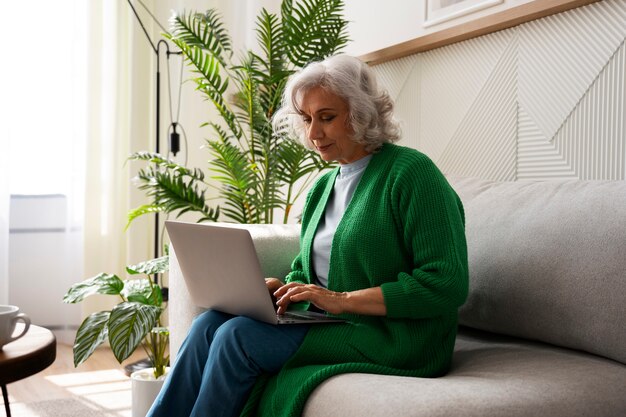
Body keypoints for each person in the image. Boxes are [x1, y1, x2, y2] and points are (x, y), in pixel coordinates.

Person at [147, 54, 468, 417]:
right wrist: (280, 288)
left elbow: (447, 283)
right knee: (208, 325)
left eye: (327, 118)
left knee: (237, 338)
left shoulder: (412, 174)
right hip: (330, 320)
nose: (313, 133)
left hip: (394, 336)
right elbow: (307, 270)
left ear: (361, 113)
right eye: (307, 119)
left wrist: (341, 299)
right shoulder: (323, 186)